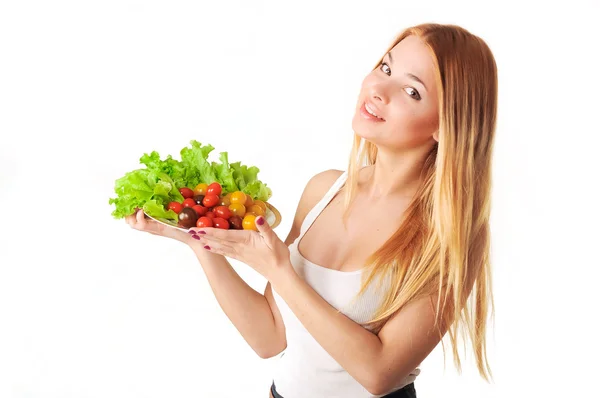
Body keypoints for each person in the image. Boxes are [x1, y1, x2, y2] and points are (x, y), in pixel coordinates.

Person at [126, 22, 498, 398]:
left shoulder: (448, 235)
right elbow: (269, 337)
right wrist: (198, 240)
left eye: (411, 90)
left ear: (445, 125)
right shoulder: (324, 190)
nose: (377, 89)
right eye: (385, 68)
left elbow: (378, 374)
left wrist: (278, 269)